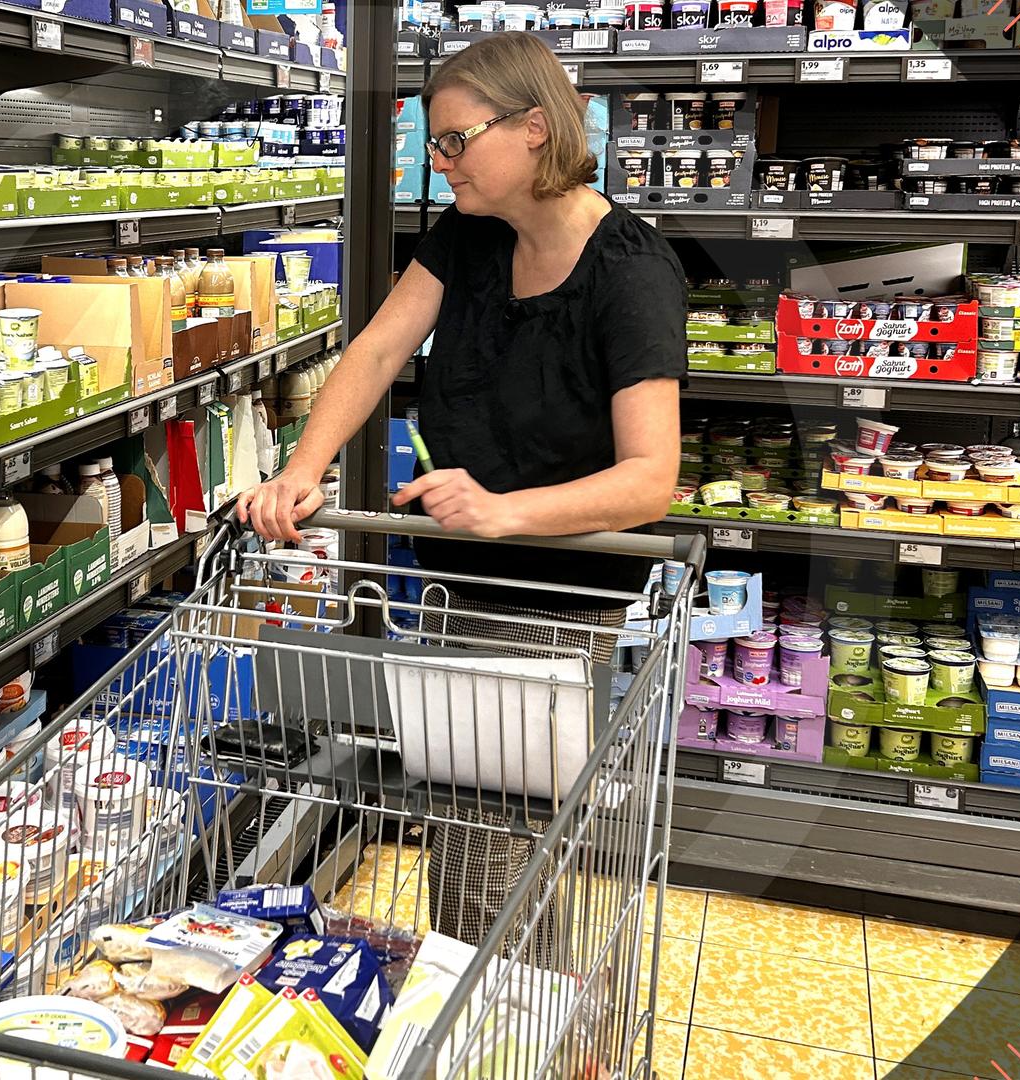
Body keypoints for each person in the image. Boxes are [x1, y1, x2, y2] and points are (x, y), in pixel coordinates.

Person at [237, 32, 688, 960]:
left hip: (557, 598)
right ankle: (540, 1027)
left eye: (453, 142)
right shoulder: (471, 237)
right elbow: (375, 349)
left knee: (484, 861)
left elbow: (651, 480)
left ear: (532, 129)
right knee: (481, 847)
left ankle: (508, 1036)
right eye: (433, 147)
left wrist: (502, 511)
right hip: (455, 586)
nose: (438, 167)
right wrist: (303, 467)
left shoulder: (631, 273)